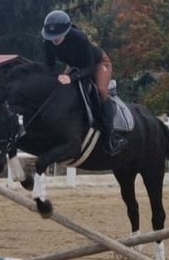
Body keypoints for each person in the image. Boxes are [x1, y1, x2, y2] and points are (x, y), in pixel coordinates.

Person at [41, 9, 127, 155]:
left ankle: (111, 136)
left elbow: (89, 66)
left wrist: (71, 78)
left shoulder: (79, 37)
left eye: (57, 36)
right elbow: (50, 67)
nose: (54, 40)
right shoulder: (48, 42)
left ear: (67, 32)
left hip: (98, 64)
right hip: (74, 66)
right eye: (52, 37)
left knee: (101, 91)